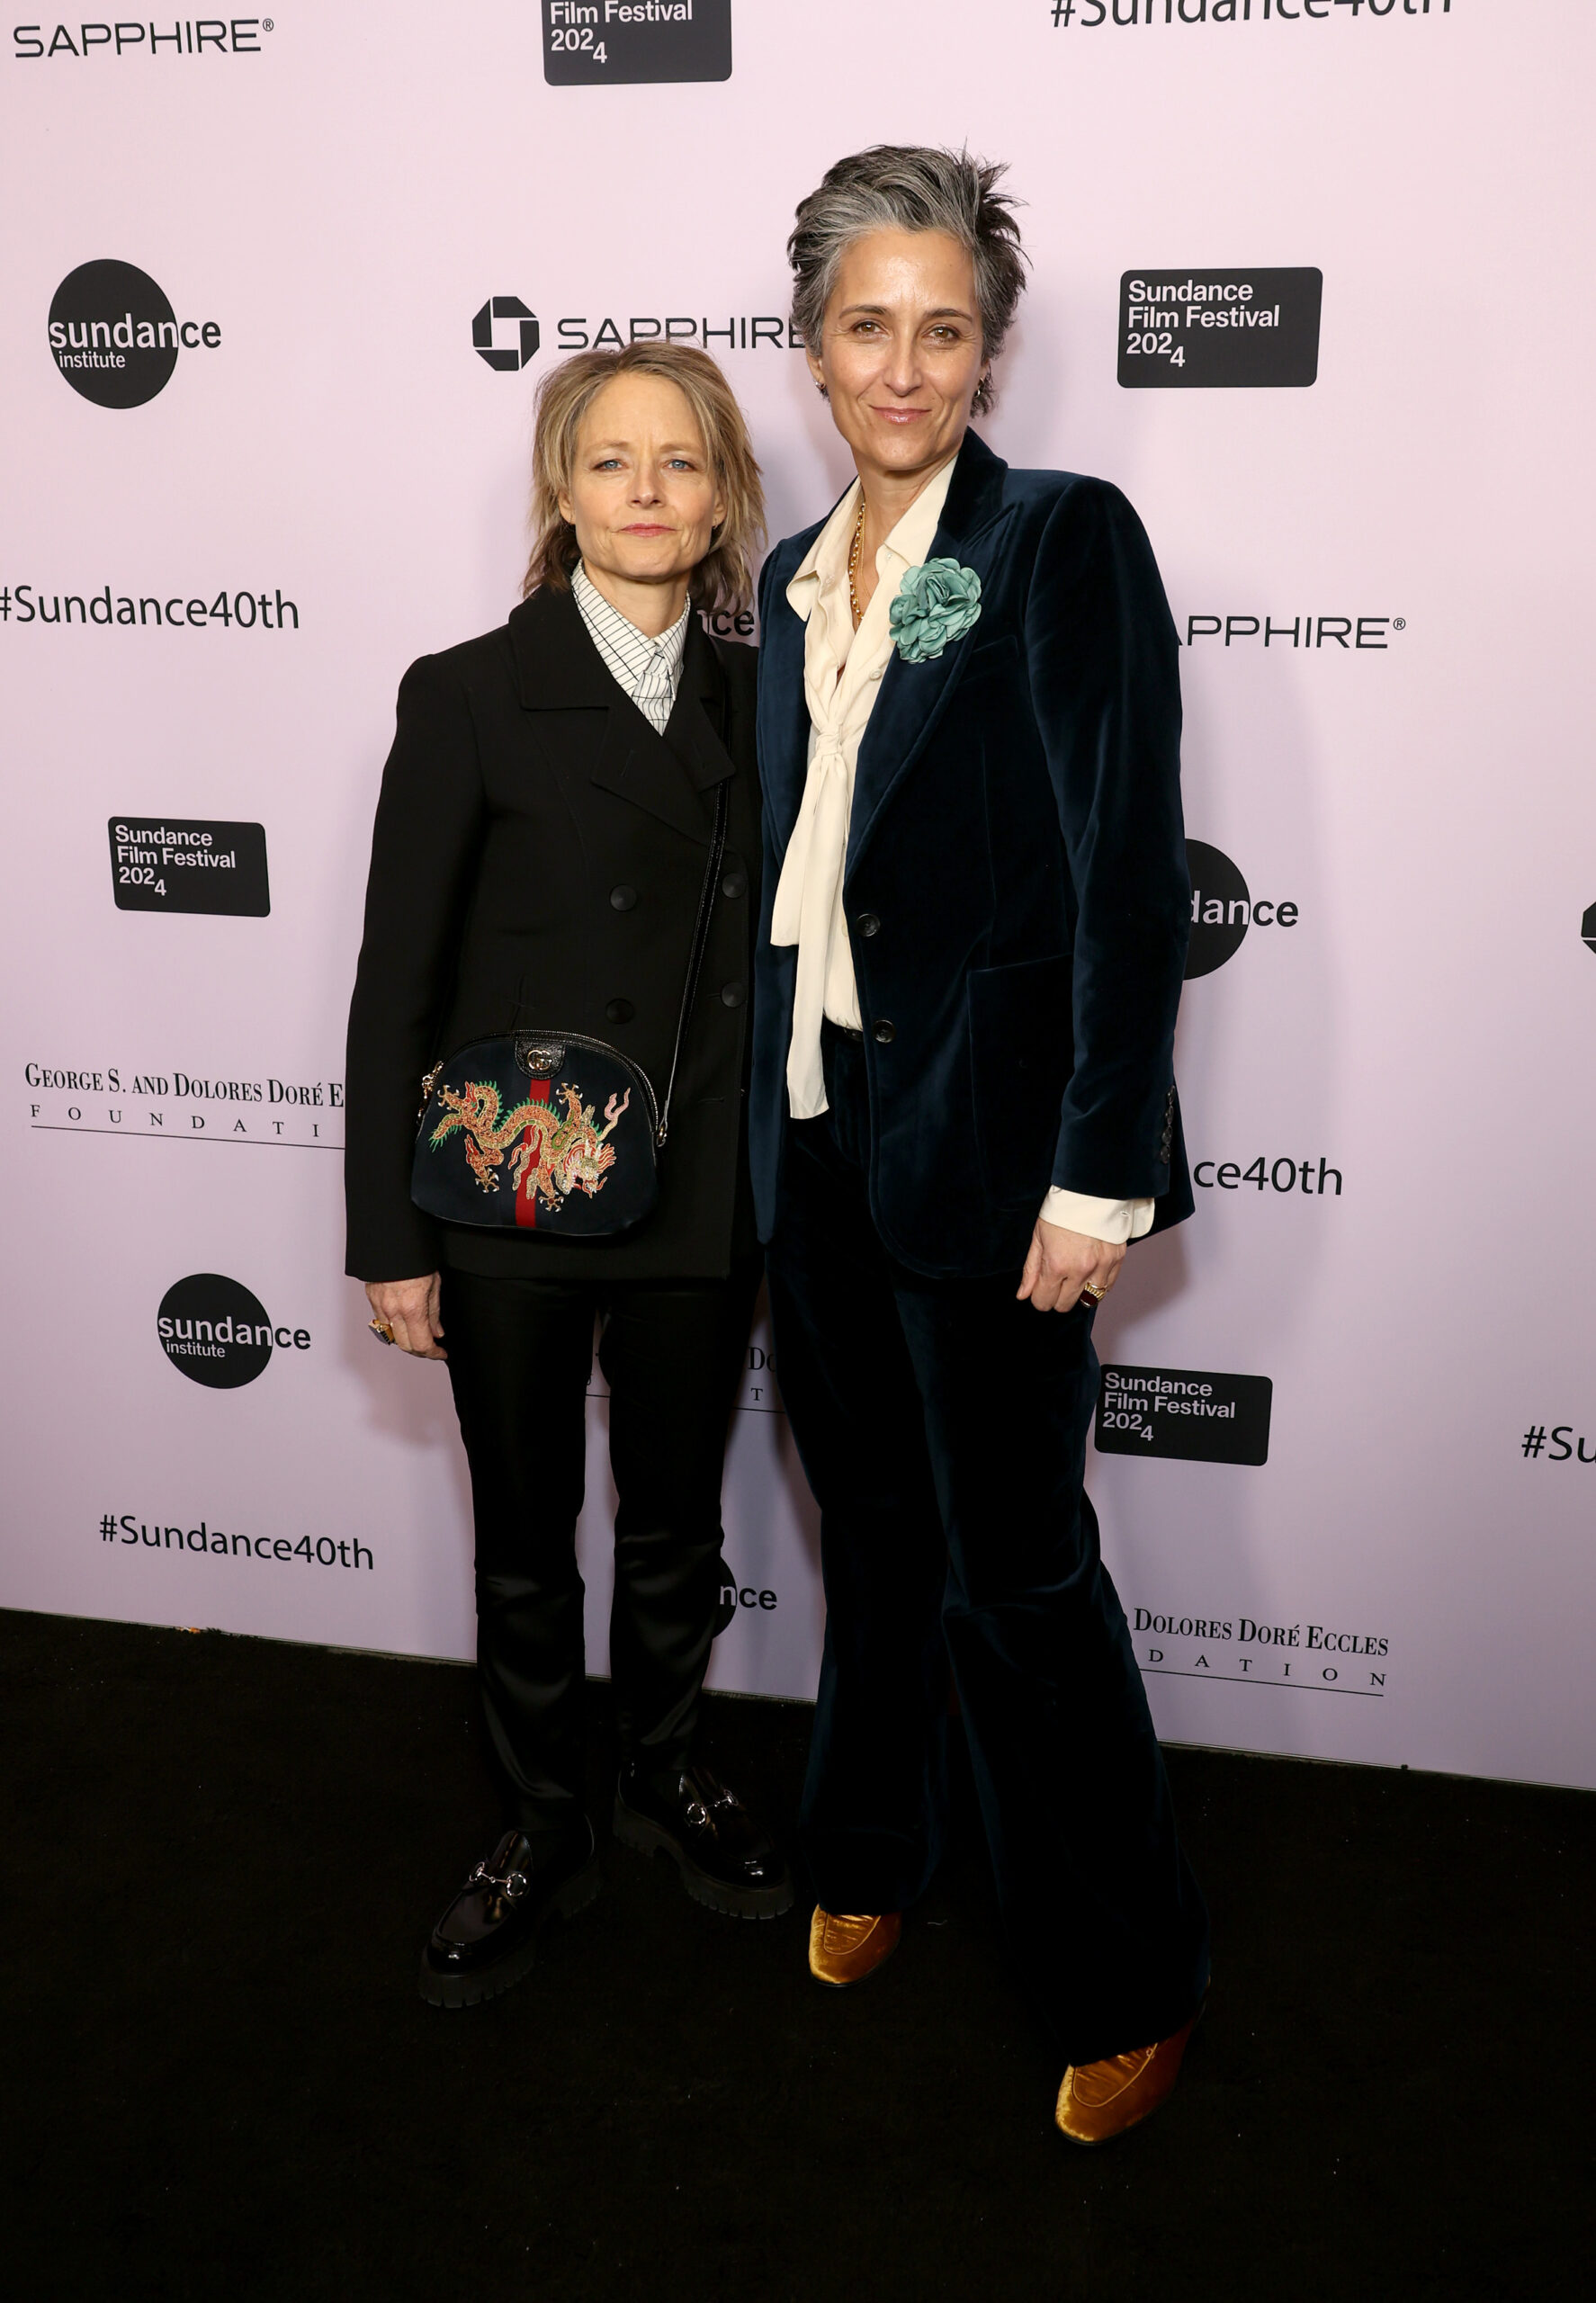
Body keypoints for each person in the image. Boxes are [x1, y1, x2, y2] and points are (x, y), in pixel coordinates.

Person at [752, 147, 1210, 2142]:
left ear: (993, 351)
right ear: (810, 348)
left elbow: (1121, 878)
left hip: (997, 1156)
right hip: (820, 1141)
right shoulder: (783, 579)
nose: (905, 365)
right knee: (874, 1534)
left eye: (944, 329)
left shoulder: (1052, 542)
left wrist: (1095, 1171)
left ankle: (1128, 1972)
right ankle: (871, 1840)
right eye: (869, 326)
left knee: (1015, 1574)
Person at [345, 342, 791, 2012]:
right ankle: (541, 1822)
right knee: (528, 1540)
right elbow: (398, 976)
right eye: (612, 461)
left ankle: (665, 1769)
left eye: (681, 463)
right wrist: (391, 1231)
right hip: (512, 1186)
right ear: (561, 487)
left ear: (727, 492)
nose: (648, 492)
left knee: (676, 1525)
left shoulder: (777, 697)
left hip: (694, 1185)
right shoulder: (464, 692)